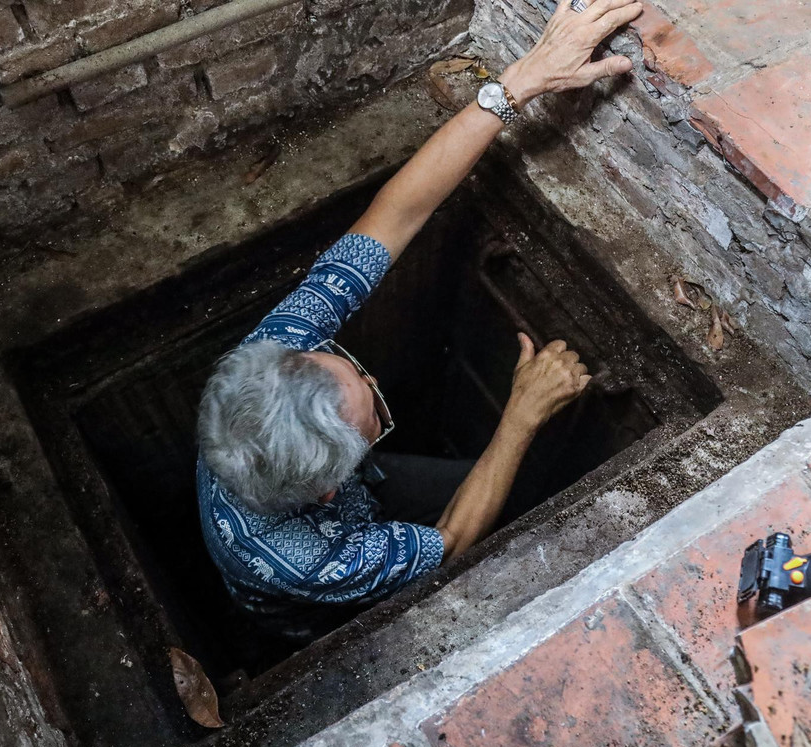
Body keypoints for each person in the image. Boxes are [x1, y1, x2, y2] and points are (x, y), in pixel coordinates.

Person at [197, 0, 644, 640]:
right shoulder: (308, 564)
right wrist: (519, 416)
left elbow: (393, 218)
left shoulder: (269, 358)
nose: (367, 374)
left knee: (474, 481)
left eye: (343, 364)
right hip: (305, 614)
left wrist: (521, 81)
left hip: (359, 494)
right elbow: (453, 541)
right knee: (480, 501)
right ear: (330, 485)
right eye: (372, 405)